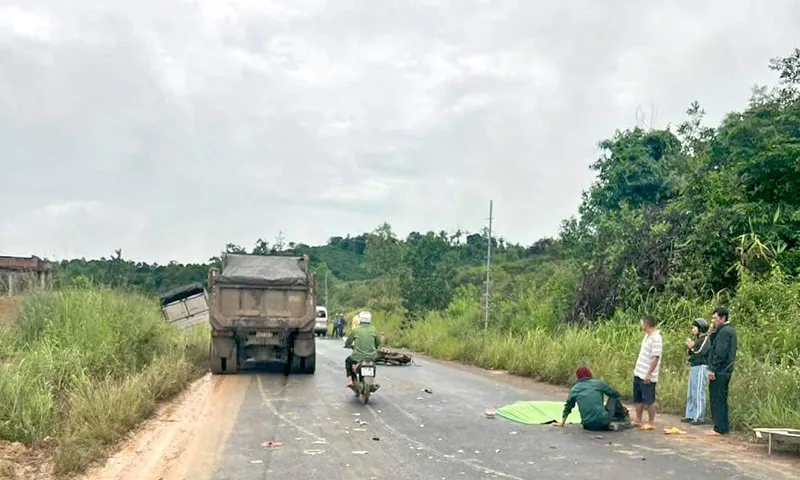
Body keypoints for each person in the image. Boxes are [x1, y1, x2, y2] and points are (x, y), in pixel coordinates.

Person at [554, 366, 630, 431]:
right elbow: (615, 394)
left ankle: (607, 420)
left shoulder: (574, 389)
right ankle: (622, 417)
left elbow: (568, 407)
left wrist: (562, 423)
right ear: (590, 374)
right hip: (603, 420)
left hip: (587, 425)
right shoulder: (598, 383)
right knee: (614, 397)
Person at [706, 306, 737, 436]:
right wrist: (712, 332)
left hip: (720, 370)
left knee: (717, 398)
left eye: (715, 318)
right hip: (725, 369)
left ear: (722, 318)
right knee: (720, 398)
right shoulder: (726, 330)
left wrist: (713, 368)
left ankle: (719, 427)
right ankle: (721, 426)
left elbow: (720, 352)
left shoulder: (725, 332)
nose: (713, 321)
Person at [633, 315, 663, 429]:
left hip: (648, 374)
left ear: (646, 324)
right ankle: (638, 419)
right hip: (639, 371)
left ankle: (651, 422)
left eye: (642, 323)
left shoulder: (656, 338)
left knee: (649, 399)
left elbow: (655, 357)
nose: (641, 325)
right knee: (638, 397)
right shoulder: (646, 336)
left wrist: (649, 374)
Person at [683, 318, 711, 425]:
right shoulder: (698, 340)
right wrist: (691, 348)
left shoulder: (705, 339)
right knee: (691, 391)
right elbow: (692, 353)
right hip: (694, 366)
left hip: (701, 366)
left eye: (694, 327)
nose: (692, 329)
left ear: (700, 328)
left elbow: (700, 352)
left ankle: (699, 416)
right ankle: (690, 415)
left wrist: (692, 347)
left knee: (698, 392)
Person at [344, 311, 381, 388]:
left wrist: (347, 345)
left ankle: (350, 380)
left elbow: (348, 342)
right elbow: (379, 344)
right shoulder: (374, 330)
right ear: (370, 319)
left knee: (348, 361)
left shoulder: (356, 330)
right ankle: (373, 380)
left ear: (360, 319)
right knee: (373, 363)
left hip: (358, 357)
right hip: (371, 356)